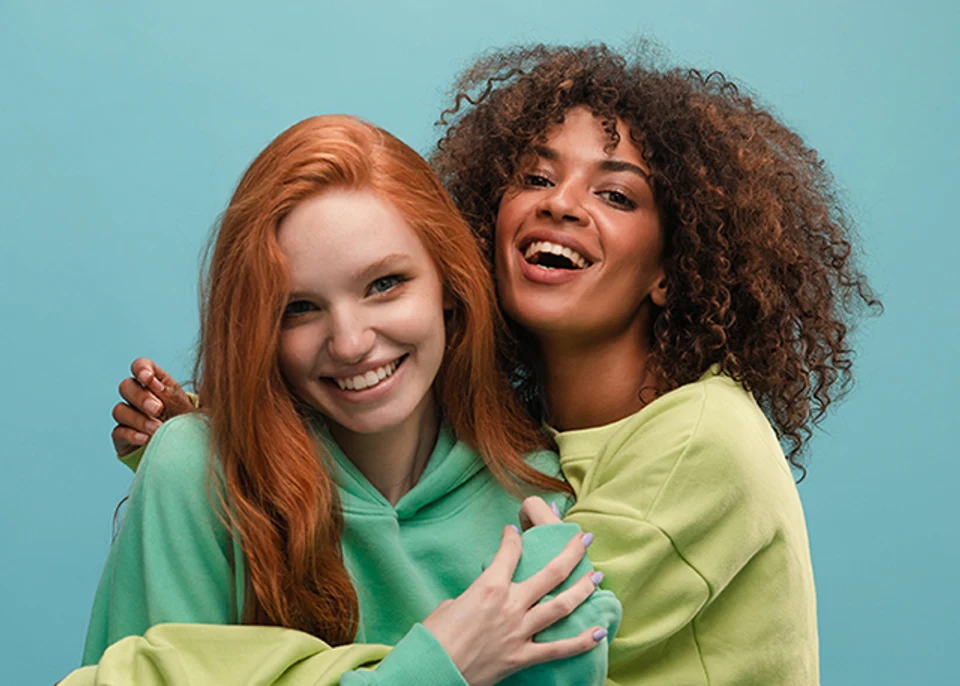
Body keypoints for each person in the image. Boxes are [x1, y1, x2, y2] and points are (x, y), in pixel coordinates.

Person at [91, 42, 880, 685]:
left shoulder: (686, 445)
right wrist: (225, 453)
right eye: (535, 177)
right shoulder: (536, 441)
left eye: (617, 195)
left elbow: (509, 645)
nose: (561, 203)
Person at [67, 115, 620, 686]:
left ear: (449, 289)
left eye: (385, 285)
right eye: (298, 309)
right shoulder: (198, 473)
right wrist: (438, 667)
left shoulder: (535, 489)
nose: (351, 343)